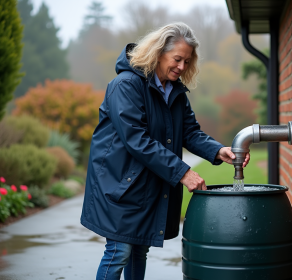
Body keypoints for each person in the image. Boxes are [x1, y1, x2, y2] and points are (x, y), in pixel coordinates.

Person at [80, 22, 250, 280]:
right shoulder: (126, 85)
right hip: (119, 184)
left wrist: (218, 151)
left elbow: (190, 132)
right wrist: (183, 173)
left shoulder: (176, 93)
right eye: (177, 59)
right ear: (159, 53)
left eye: (187, 61)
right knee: (119, 251)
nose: (182, 67)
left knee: (139, 250)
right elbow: (137, 139)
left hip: (146, 186)